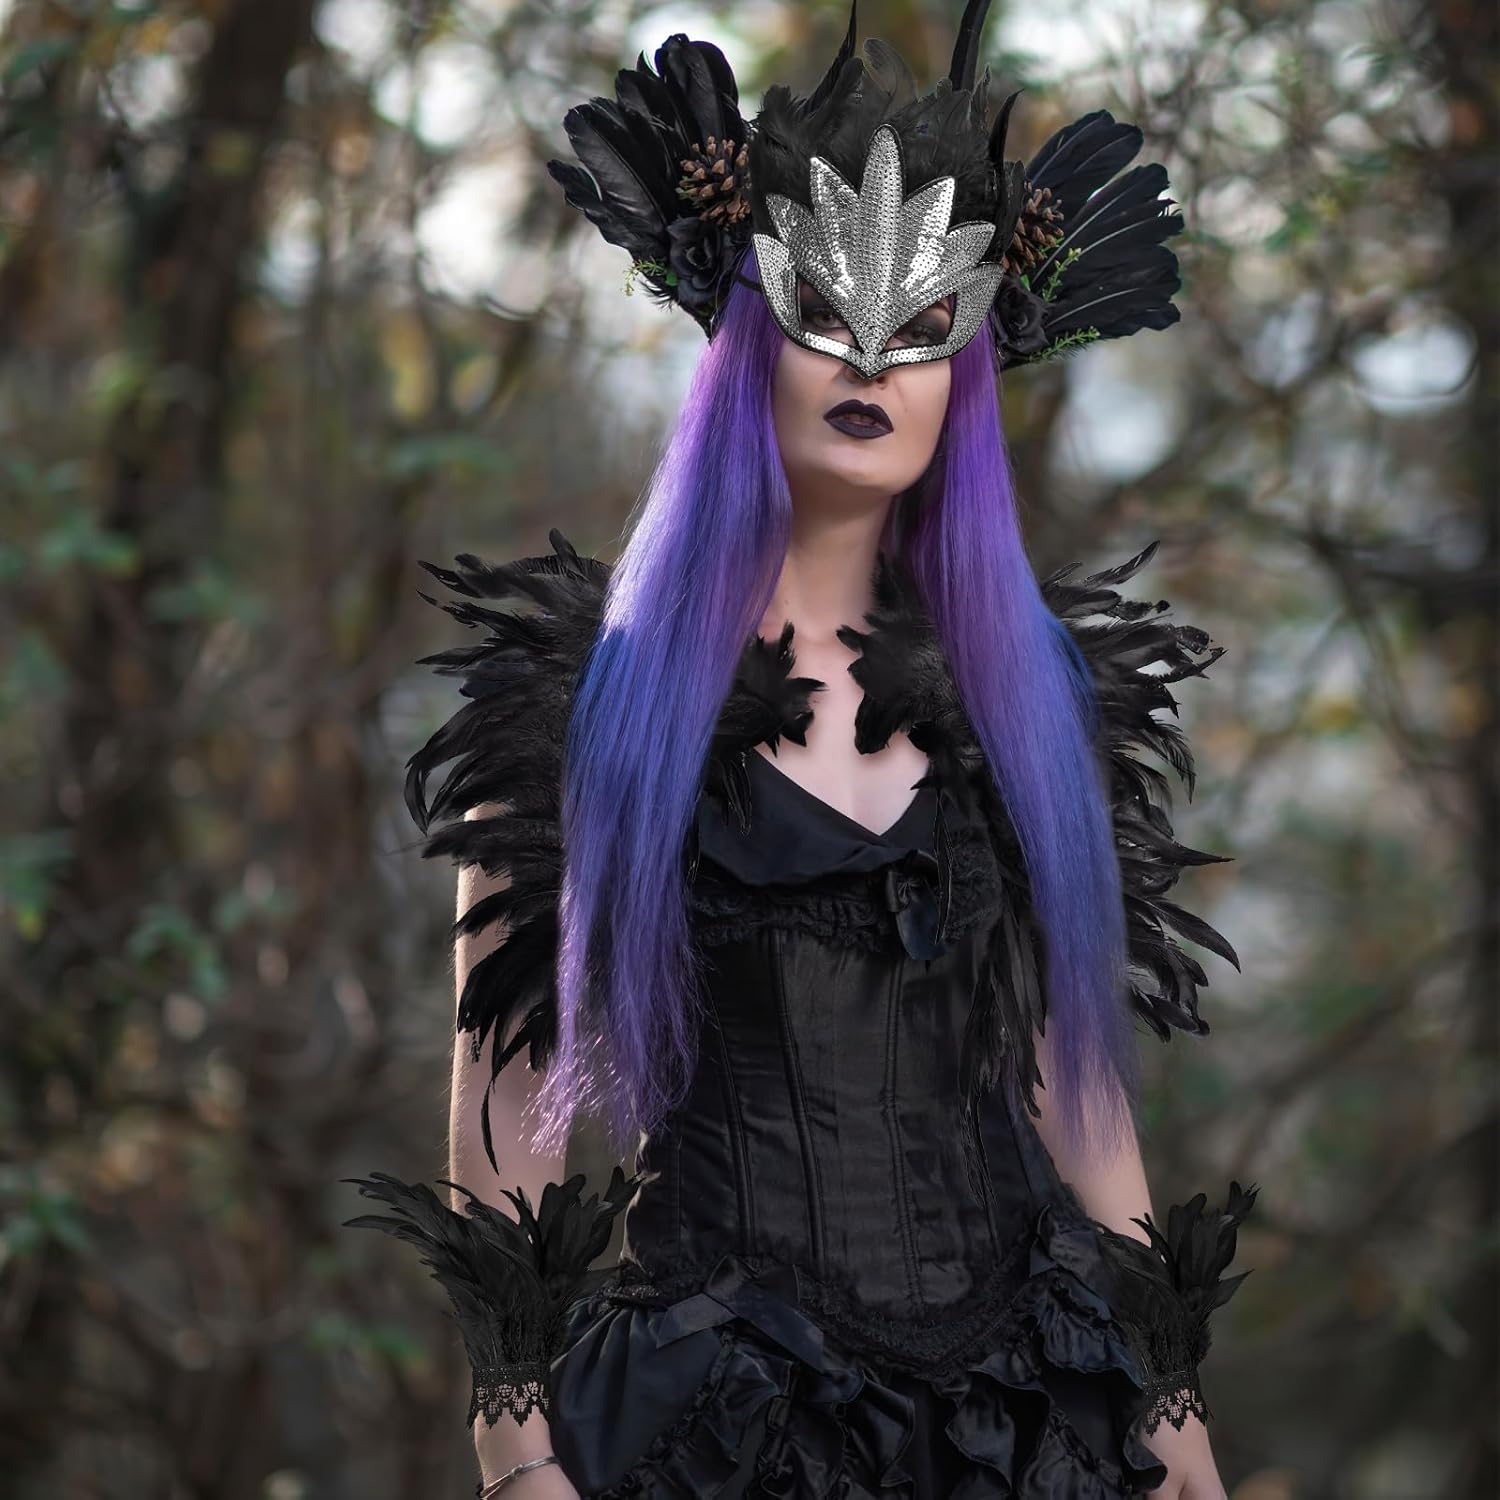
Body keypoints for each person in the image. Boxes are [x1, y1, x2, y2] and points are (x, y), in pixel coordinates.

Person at [345, 4, 1258, 1496]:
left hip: (1024, 1425)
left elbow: (1075, 1095)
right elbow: (506, 1102)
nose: (872, 361)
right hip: (718, 1420)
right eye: (822, 312)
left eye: (924, 327)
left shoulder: (1029, 707)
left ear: (966, 377)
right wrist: (514, 1449)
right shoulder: (580, 709)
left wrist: (1177, 1422)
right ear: (748, 343)